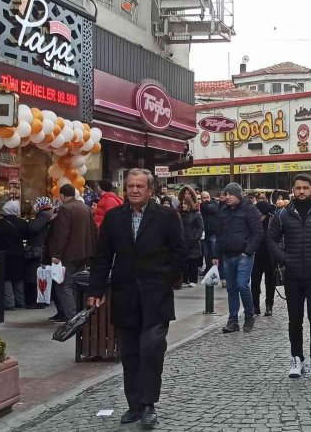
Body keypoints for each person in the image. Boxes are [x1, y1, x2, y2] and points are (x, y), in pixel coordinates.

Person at [87, 168, 186, 427]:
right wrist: (95, 290)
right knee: (130, 353)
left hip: (156, 297)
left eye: (140, 186)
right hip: (125, 295)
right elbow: (102, 258)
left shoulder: (166, 216)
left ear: (150, 190)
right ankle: (133, 404)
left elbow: (179, 254)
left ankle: (148, 403)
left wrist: (164, 277)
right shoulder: (113, 218)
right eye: (130, 185)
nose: (134, 190)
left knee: (152, 349)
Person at [266, 174, 311, 379]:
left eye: (305, 188)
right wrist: (283, 259)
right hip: (292, 275)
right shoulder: (282, 214)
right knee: (294, 319)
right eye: (298, 188)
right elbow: (270, 239)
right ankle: (296, 358)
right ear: (293, 190)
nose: (301, 191)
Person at [213, 182, 263, 334]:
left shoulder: (250, 210)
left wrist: (248, 251)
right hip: (228, 254)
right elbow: (219, 234)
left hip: (243, 254)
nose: (227, 197)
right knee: (231, 289)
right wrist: (216, 254)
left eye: (230, 194)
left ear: (238, 195)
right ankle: (233, 320)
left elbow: (258, 232)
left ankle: (249, 314)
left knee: (243, 285)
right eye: (225, 194)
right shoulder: (223, 211)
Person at [48, 184, 97, 322]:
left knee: (64, 286)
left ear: (62, 196)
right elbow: (94, 230)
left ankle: (73, 319)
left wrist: (56, 255)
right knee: (78, 284)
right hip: (85, 253)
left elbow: (62, 234)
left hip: (69, 254)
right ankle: (81, 314)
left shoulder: (65, 209)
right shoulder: (85, 207)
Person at [0, 200, 29, 310]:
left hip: (4, 255)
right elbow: (27, 237)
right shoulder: (23, 223)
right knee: (18, 277)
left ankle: (9, 303)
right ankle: (21, 301)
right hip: (19, 253)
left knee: (6, 278)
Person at [24, 197, 54, 308]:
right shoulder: (47, 214)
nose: (34, 206)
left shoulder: (44, 214)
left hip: (37, 250)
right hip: (41, 249)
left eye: (35, 204)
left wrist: (29, 221)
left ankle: (37, 301)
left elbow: (33, 228)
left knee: (35, 275)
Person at [252, 201, 276, 316]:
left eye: (261, 214)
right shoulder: (253, 221)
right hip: (256, 255)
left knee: (270, 282)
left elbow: (279, 237)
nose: (259, 216)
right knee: (255, 282)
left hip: (270, 256)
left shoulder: (273, 220)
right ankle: (255, 306)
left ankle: (269, 305)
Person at [178, 186, 204, 288]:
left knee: (192, 261)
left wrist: (195, 238)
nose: (183, 205)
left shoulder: (196, 214)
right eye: (183, 203)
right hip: (183, 241)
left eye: (185, 204)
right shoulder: (181, 214)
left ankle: (193, 279)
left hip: (192, 241)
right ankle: (185, 279)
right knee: (184, 261)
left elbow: (200, 227)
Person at [199, 191, 219, 277]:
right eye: (204, 198)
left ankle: (214, 270)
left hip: (213, 233)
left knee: (213, 253)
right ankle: (208, 269)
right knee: (206, 255)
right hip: (204, 234)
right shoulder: (201, 207)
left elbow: (211, 208)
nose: (206, 199)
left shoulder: (214, 204)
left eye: (207, 197)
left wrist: (202, 205)